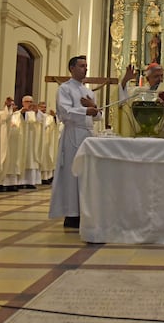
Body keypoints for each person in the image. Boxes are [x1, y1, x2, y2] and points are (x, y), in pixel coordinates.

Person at [49, 55, 102, 229]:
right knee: (73, 174)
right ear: (71, 68)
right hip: (73, 134)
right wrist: (87, 109)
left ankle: (85, 211)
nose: (85, 69)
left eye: (86, 66)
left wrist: (93, 109)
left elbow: (98, 115)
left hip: (87, 136)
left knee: (86, 174)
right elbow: (65, 111)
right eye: (81, 66)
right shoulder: (64, 89)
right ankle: (72, 214)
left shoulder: (88, 91)